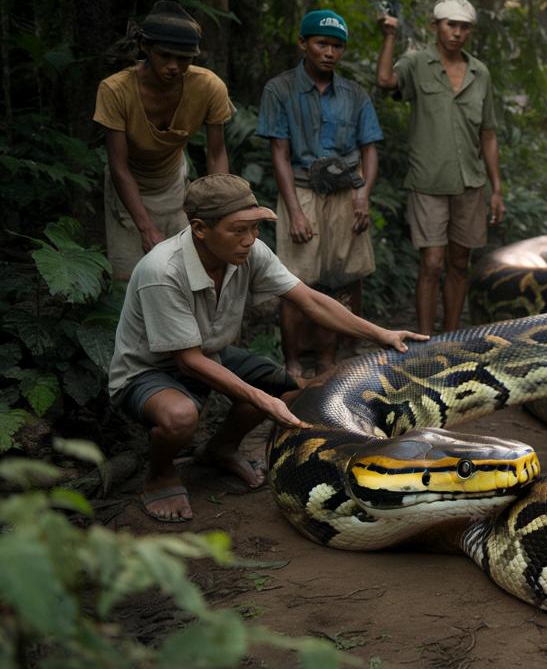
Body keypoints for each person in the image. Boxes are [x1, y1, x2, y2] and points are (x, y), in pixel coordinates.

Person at [108, 174, 427, 523]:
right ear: (200, 229)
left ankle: (219, 450)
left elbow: (309, 300)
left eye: (255, 228)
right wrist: (261, 400)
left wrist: (381, 334)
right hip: (149, 368)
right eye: (238, 230)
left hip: (209, 354)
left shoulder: (249, 252)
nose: (250, 239)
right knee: (182, 416)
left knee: (284, 388)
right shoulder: (163, 269)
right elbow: (187, 361)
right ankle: (159, 475)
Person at [257, 9, 384, 379]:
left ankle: (329, 360)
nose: (330, 52)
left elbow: (370, 149)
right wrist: (295, 210)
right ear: (304, 44)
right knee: (295, 279)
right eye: (322, 43)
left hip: (347, 191)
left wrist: (363, 196)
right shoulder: (279, 90)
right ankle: (294, 361)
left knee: (340, 278)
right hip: (301, 189)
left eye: (337, 46)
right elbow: (279, 153)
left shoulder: (354, 94)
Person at [376, 0, 506, 335]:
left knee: (459, 263)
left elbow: (488, 133)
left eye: (464, 27)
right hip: (428, 180)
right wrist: (389, 36)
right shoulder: (418, 63)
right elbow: (386, 81)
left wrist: (497, 189)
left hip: (470, 183)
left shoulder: (480, 73)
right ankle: (423, 339)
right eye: (451, 25)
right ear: (436, 27)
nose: (457, 33)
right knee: (432, 263)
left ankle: (450, 338)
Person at [95, 0, 234, 280]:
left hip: (173, 184)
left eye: (184, 59)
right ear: (145, 48)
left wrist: (219, 208)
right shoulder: (115, 90)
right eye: (165, 56)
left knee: (184, 273)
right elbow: (119, 166)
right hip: (128, 189)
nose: (174, 66)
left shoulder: (209, 86)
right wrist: (146, 227)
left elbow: (216, 154)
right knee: (131, 278)